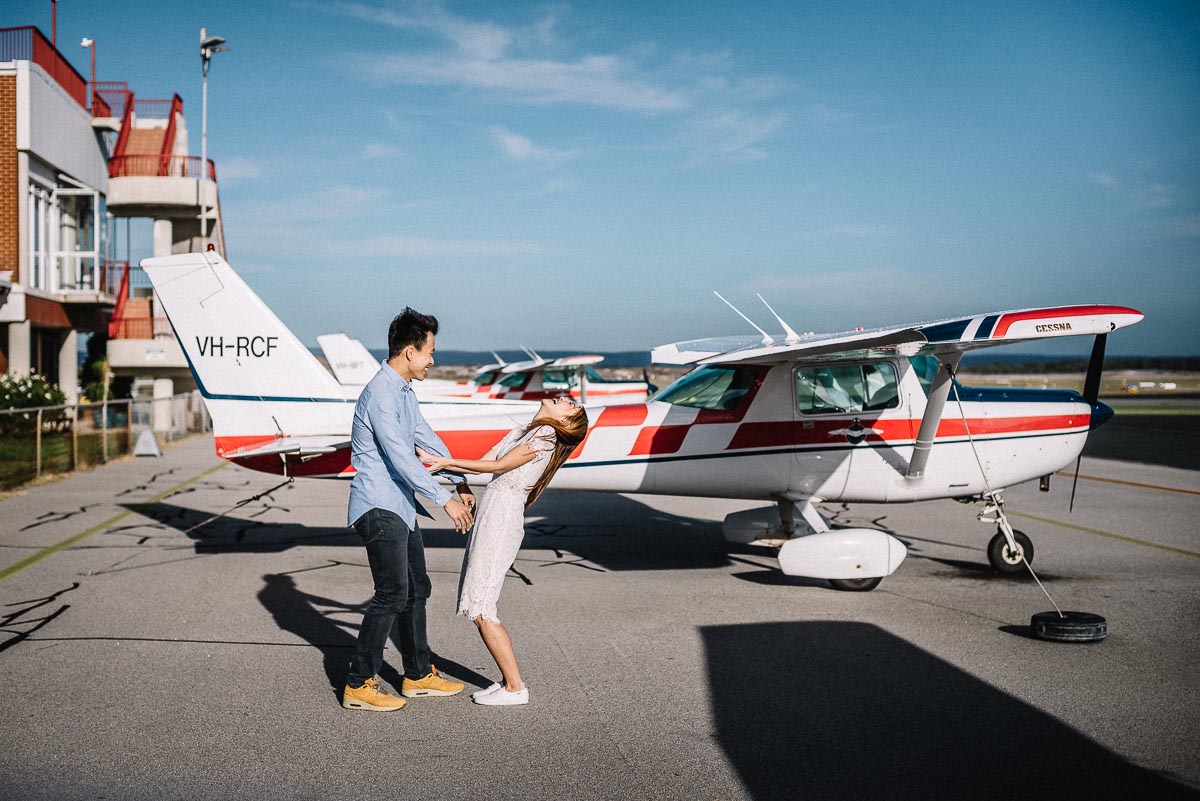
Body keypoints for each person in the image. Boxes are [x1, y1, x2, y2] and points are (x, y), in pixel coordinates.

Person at [341, 308, 477, 712]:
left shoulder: (403, 391)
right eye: (430, 351)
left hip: (400, 506)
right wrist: (444, 499)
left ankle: (417, 675)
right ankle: (358, 683)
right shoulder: (381, 394)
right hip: (379, 506)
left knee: (417, 588)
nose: (433, 360)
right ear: (409, 352)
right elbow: (401, 457)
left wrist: (459, 480)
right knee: (392, 593)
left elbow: (426, 438)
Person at [422, 396, 588, 706]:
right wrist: (459, 481)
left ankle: (515, 687)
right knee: (478, 602)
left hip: (501, 517)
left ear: (566, 422)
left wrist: (447, 464)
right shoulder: (527, 429)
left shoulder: (547, 436)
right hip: (492, 510)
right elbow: (488, 460)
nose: (567, 399)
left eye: (572, 406)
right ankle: (508, 682)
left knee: (483, 606)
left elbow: (499, 466)